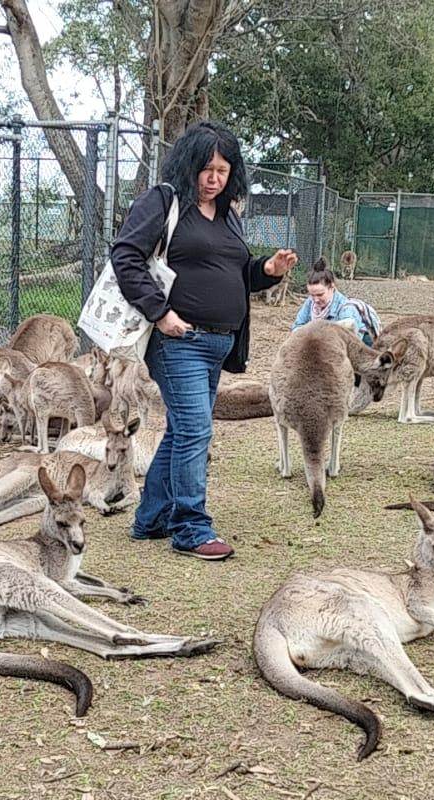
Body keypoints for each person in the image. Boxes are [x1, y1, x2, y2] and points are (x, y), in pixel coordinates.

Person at [110, 121, 297, 561]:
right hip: (179, 342)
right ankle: (190, 526)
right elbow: (125, 255)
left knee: (182, 430)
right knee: (196, 429)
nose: (214, 179)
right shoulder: (164, 202)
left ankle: (150, 518)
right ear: (188, 165)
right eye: (206, 169)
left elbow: (234, 271)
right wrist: (161, 313)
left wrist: (266, 270)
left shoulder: (228, 213)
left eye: (223, 171)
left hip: (220, 343)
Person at [292, 257, 381, 346]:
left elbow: (348, 339)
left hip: (357, 346)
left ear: (332, 287)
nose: (315, 300)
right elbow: (297, 326)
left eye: (320, 295)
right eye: (312, 295)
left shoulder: (346, 308)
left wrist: (313, 333)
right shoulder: (310, 303)